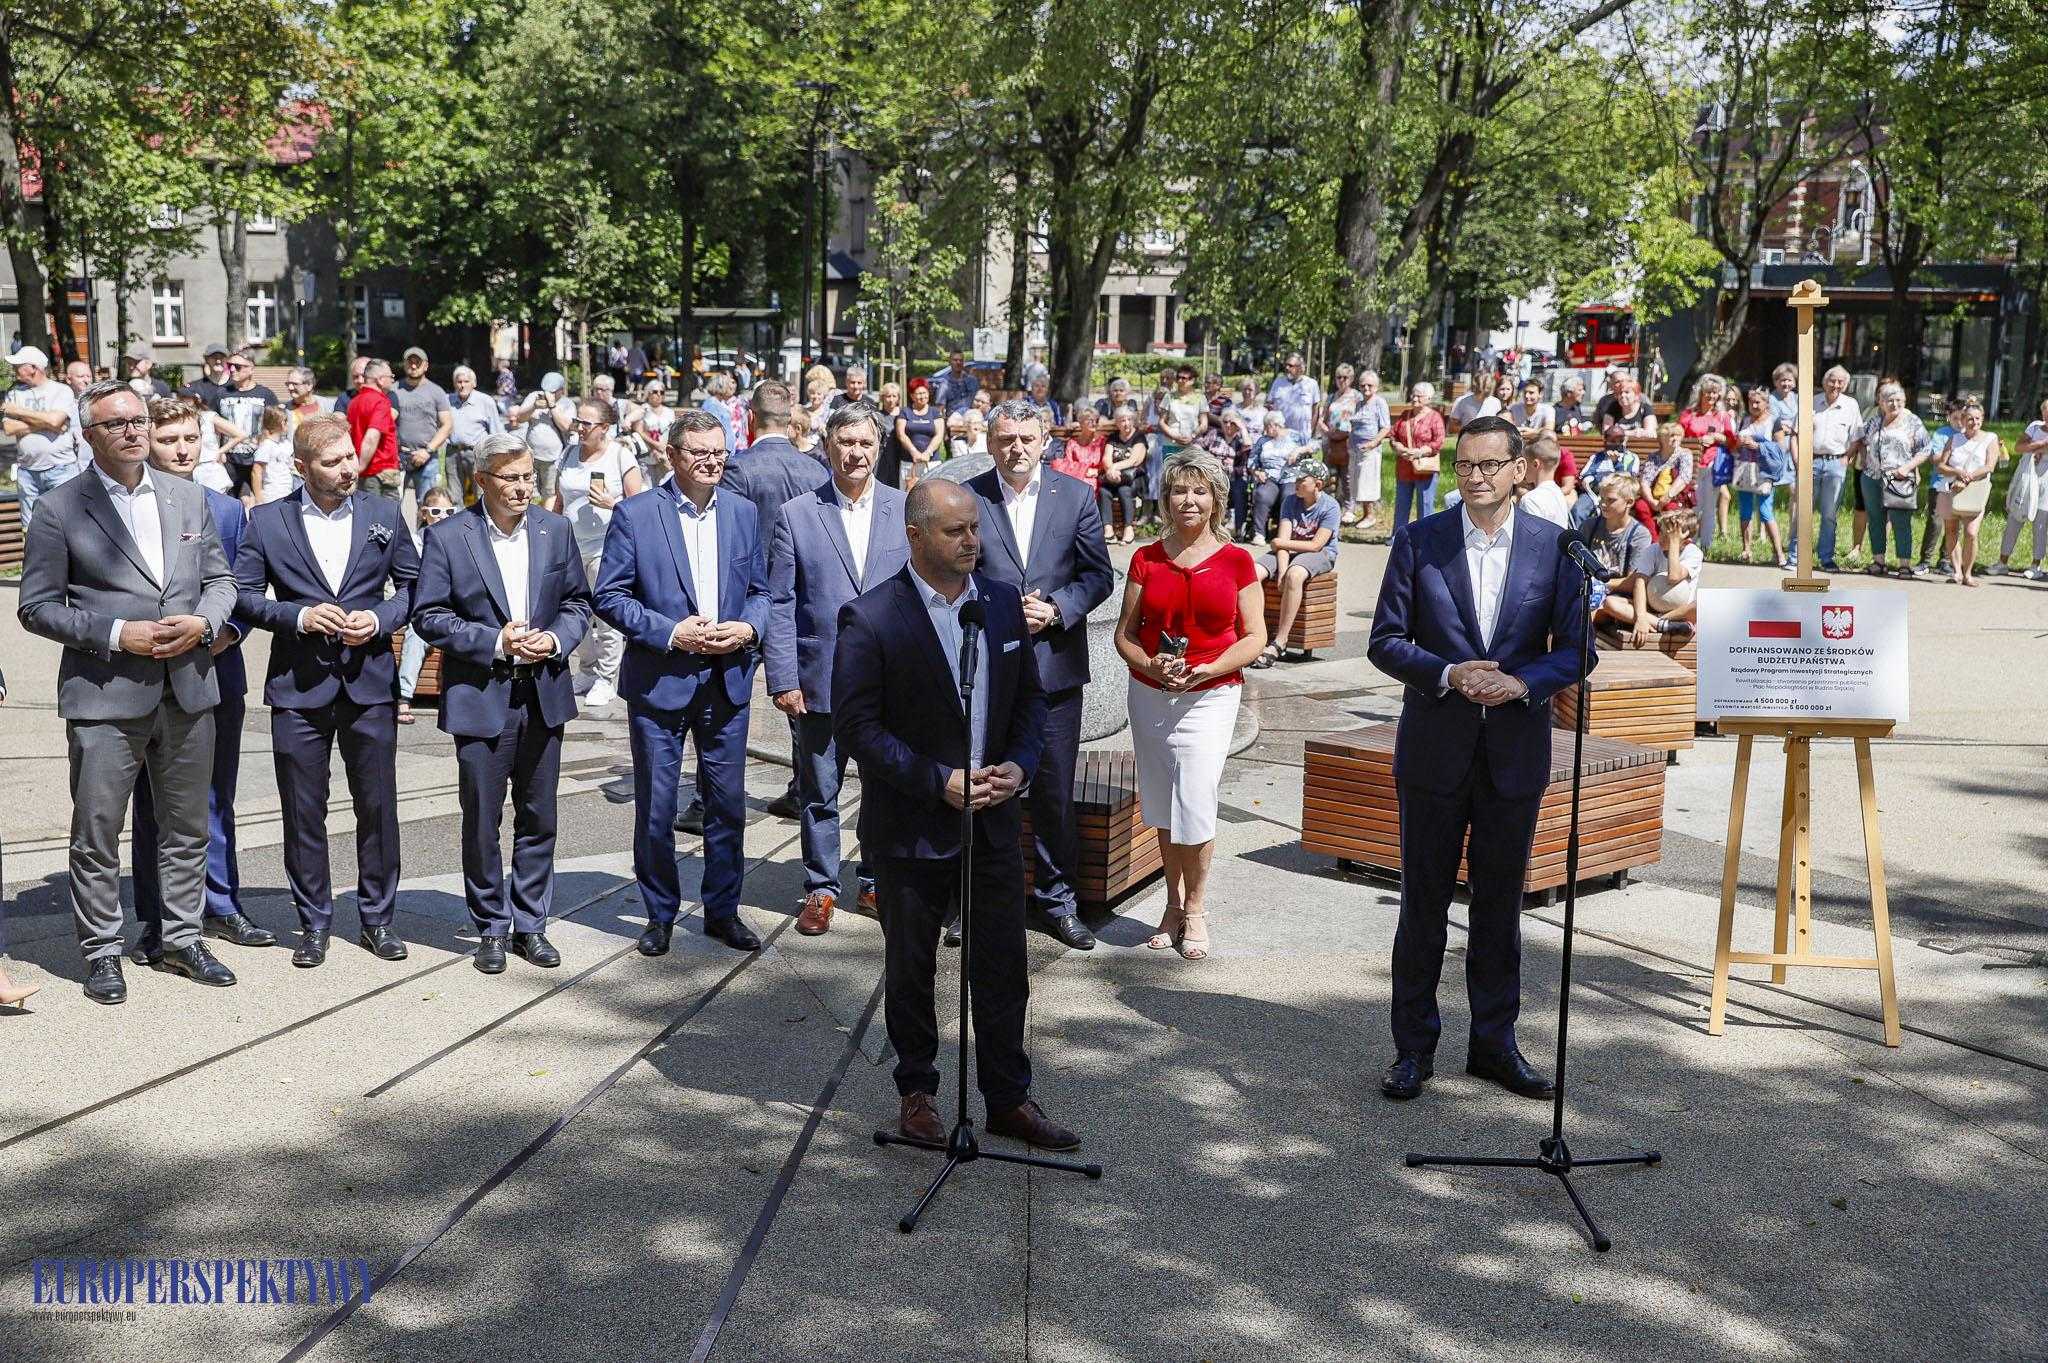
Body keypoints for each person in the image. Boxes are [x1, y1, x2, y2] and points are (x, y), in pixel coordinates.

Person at [830, 478, 1079, 1152]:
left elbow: (1031, 700)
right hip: (911, 827)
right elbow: (857, 726)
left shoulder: (1001, 604)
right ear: (915, 536)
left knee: (1003, 966)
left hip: (994, 821)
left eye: (975, 528)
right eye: (956, 531)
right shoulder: (871, 616)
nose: (972, 541)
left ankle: (1007, 1098)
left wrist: (1021, 767)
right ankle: (918, 1095)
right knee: (911, 969)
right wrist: (935, 779)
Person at [1366, 414, 1588, 1103]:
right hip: (1434, 752)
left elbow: (1578, 648)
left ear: (1521, 469)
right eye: (1466, 465)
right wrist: (1449, 673)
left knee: (1499, 911)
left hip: (1514, 755)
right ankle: (1412, 1051)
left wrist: (1524, 683)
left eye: (1492, 464)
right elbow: (1385, 640)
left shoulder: (1559, 548)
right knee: (1422, 906)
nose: (1478, 477)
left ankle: (1494, 1045)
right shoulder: (1419, 540)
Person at [17, 382, 240, 1003]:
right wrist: (118, 632)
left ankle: (181, 937)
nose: (133, 431)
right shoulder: (61, 509)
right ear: (88, 436)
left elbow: (222, 580)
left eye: (138, 420)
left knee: (186, 825)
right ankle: (102, 951)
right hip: (105, 692)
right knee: (98, 829)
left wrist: (206, 621)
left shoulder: (189, 497)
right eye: (116, 424)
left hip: (189, 685)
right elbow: (35, 608)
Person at [234, 414, 420, 968]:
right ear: (301, 467)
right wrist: (297, 615)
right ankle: (313, 922)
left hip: (369, 684)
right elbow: (244, 594)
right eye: (333, 461)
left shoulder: (383, 513)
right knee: (303, 809)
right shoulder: (268, 521)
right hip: (298, 686)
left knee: (378, 806)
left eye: (349, 459)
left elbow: (413, 586)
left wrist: (383, 619)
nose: (348, 469)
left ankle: (377, 919)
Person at [412, 433, 593, 973]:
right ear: (482, 481)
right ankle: (490, 924)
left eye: (528, 477)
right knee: (483, 818)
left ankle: (531, 924)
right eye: (510, 478)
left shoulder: (554, 529)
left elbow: (578, 603)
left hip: (543, 692)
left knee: (539, 815)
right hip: (481, 695)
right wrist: (495, 641)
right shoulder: (449, 536)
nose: (523, 488)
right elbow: (429, 616)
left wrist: (556, 639)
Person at [595, 410, 770, 956]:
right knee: (657, 805)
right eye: (699, 451)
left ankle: (723, 910)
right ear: (671, 456)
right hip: (660, 681)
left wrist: (747, 627)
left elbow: (764, 592)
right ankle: (660, 914)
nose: (712, 460)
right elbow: (610, 595)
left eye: (719, 451)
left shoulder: (744, 512)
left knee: (728, 804)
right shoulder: (635, 515)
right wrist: (671, 633)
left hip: (727, 681)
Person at [125, 396, 275, 962]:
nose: (183, 449)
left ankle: (222, 901)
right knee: (150, 803)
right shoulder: (129, 507)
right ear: (149, 442)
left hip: (215, 669)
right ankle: (156, 917)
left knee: (216, 794)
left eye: (191, 438)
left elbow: (244, 585)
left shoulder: (229, 510)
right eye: (170, 440)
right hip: (145, 672)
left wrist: (226, 631)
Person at [965, 399, 1115, 951]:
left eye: (1026, 438)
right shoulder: (972, 498)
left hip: (1055, 668)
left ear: (1046, 440)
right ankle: (975, 900)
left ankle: (1057, 899)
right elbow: (954, 572)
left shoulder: (1074, 496)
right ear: (990, 442)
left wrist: (1055, 608)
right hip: (987, 672)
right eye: (1005, 439)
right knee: (982, 788)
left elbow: (1098, 575)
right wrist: (999, 609)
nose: (1017, 448)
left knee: (1053, 792)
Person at [1114, 448, 1264, 960]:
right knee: (1160, 800)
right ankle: (1171, 905)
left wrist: (1209, 667)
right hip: (1151, 692)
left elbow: (1254, 638)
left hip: (1211, 695)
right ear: (1165, 498)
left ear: (1217, 501)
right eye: (1180, 490)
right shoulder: (1145, 559)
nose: (1189, 500)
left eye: (1200, 491)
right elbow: (1125, 635)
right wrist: (1151, 666)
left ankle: (1196, 908)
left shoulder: (1238, 561)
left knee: (1195, 799)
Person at [768, 404, 911, 936]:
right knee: (819, 790)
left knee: (885, 788)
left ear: (879, 447)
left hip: (890, 684)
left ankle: (873, 879)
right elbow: (780, 602)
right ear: (826, 444)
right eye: (846, 442)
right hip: (819, 680)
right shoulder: (797, 514)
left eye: (866, 443)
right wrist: (783, 677)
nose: (856, 453)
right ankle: (821, 888)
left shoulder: (904, 509)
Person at [723, 379, 833, 819]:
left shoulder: (739, 468)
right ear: (791, 423)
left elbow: (726, 537)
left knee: (731, 700)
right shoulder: (817, 469)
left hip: (752, 598)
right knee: (800, 702)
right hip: (802, 598)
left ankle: (715, 796)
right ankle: (804, 786)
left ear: (750, 419)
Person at [553, 395, 647, 711]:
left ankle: (607, 677)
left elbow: (643, 508)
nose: (578, 427)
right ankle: (587, 669)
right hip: (569, 547)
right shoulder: (568, 454)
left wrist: (612, 504)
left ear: (604, 428)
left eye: (586, 423)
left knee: (606, 616)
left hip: (606, 548)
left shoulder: (620, 457)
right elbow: (558, 500)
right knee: (571, 612)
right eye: (577, 420)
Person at [1250, 459, 1340, 668]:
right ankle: (1257, 634)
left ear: (1318, 484)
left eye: (1301, 479)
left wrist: (1282, 548)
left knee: (1296, 573)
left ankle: (1280, 641)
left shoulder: (1330, 506)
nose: (1296, 482)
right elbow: (1282, 543)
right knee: (1253, 571)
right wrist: (1281, 571)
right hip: (1288, 551)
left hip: (1321, 554)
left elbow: (1317, 545)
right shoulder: (1290, 501)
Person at [1846, 380, 1930, 579]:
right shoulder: (1875, 421)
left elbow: (1926, 449)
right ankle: (1879, 561)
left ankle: (1904, 564)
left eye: (1898, 400)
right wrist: (1862, 458)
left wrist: (1908, 467)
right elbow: (1859, 439)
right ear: (1881, 403)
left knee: (1901, 521)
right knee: (1875, 519)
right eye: (1889, 400)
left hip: (1900, 480)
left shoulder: (1913, 422)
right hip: (1872, 478)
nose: (1894, 404)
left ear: (1905, 401)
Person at [1597, 503, 1700, 641]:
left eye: (1668, 536)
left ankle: (1658, 620)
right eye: (1662, 532)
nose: (1661, 537)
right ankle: (1662, 625)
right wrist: (1641, 618)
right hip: (1650, 608)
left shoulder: (1693, 552)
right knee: (1610, 603)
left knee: (1700, 606)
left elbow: (1673, 577)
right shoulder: (1652, 550)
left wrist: (1674, 543)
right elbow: (1639, 584)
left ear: (1686, 542)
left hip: (1678, 612)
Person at [4, 345, 82, 523]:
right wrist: (49, 424)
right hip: (27, 472)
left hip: (61, 469)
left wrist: (19, 412)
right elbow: (9, 428)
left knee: (67, 522)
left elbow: (56, 421)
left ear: (34, 368)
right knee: (31, 527)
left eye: (19, 365)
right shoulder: (14, 393)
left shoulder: (61, 391)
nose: (14, 368)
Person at [1934, 393, 2000, 587]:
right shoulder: (1954, 439)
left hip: (1975, 489)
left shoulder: (1990, 438)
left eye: (1978, 418)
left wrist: (1967, 477)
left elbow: (1989, 466)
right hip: (1950, 488)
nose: (1974, 422)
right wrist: (1956, 472)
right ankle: (1956, 572)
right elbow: (1941, 465)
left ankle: (1968, 572)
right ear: (1963, 420)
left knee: (1971, 532)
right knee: (1951, 529)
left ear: (1982, 419)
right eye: (1970, 418)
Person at [1988, 396, 2048, 579]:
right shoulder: (2035, 426)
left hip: (2046, 481)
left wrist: (2034, 448)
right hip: (2027, 477)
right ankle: (2002, 562)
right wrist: (2039, 446)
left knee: (2040, 522)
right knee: (2015, 517)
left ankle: (2036, 565)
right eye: (2046, 412)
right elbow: (2019, 446)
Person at [391, 347, 454, 512]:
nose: (413, 366)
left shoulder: (436, 391)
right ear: (404, 365)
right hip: (398, 457)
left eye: (417, 362)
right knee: (392, 507)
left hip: (428, 458)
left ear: (425, 366)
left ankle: (425, 537)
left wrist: (427, 450)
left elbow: (447, 425)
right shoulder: (393, 390)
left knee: (428, 507)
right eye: (409, 362)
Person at [1678, 375, 1736, 556]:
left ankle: (1706, 546)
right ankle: (1689, 543)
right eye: (1708, 392)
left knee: (1710, 506)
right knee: (1693, 505)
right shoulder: (1689, 414)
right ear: (1701, 393)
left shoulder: (1723, 416)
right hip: (1692, 464)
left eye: (1715, 393)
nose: (1712, 396)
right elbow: (1678, 436)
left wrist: (1718, 437)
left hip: (1713, 465)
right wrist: (1696, 440)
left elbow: (1732, 442)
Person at [1732, 385, 1789, 565]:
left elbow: (1781, 449)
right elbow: (1733, 447)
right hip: (1744, 469)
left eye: (1758, 402)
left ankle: (1779, 553)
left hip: (1764, 471)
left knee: (1765, 512)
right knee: (1745, 511)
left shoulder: (1774, 422)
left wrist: (1759, 446)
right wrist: (1739, 443)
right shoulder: (1745, 421)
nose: (1754, 405)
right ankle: (1746, 549)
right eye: (1751, 402)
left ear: (1766, 403)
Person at [446, 363, 506, 504]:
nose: (462, 385)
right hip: (453, 453)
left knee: (481, 494)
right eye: (459, 382)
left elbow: (496, 432)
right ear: (454, 384)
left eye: (466, 382)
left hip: (477, 453)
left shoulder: (485, 401)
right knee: (454, 496)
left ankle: (481, 524)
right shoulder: (447, 400)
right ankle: (457, 524)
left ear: (473, 383)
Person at [1389, 381, 1445, 528]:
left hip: (1425, 469)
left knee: (1425, 505)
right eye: (1413, 395)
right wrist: (1399, 447)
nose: (1414, 399)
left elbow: (1439, 442)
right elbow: (1393, 436)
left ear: (1428, 399)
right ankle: (1397, 537)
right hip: (1404, 468)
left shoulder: (1435, 417)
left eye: (1419, 396)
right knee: (1401, 504)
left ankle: (1426, 539)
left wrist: (1419, 452)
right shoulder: (1405, 415)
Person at [510, 371, 573, 501]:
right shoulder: (535, 396)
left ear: (561, 390)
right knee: (530, 491)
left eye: (552, 392)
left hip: (553, 458)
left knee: (550, 493)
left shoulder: (567, 404)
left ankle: (546, 520)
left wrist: (552, 406)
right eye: (546, 390)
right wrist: (533, 406)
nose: (547, 394)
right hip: (532, 455)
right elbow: (520, 418)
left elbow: (566, 426)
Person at [1242, 411, 1302, 544]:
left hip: (1290, 477)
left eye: (1266, 426)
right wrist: (1257, 473)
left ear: (1275, 425)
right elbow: (1251, 462)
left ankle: (1285, 534)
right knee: (1263, 494)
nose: (1265, 429)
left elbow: (1314, 445)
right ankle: (1259, 534)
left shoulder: (1294, 436)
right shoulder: (1262, 440)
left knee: (1289, 496)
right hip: (1269, 476)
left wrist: (1299, 450)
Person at [348, 358, 402, 498]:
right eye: (391, 377)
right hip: (380, 474)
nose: (392, 381)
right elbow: (371, 437)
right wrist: (361, 466)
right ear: (380, 380)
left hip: (365, 474)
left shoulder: (354, 403)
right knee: (386, 517)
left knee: (366, 515)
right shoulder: (381, 402)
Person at [1344, 369, 1391, 529]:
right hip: (1355, 450)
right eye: (1363, 385)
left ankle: (1370, 515)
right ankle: (1364, 514)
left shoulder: (1379, 402)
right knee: (1357, 483)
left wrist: (1373, 443)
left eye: (1370, 385)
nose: (1366, 388)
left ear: (1376, 386)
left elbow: (1385, 427)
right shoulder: (1359, 403)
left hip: (1370, 450)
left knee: (1367, 483)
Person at [1101, 406, 1149, 544]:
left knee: (1124, 490)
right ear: (1117, 423)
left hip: (1133, 478)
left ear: (1133, 421)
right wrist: (1111, 471)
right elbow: (1106, 458)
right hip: (1114, 477)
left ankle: (1129, 530)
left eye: (1129, 419)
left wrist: (1114, 468)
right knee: (1104, 491)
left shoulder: (1139, 437)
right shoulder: (1113, 437)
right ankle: (1108, 531)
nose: (1126, 423)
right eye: (1122, 420)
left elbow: (1134, 460)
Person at [895, 377, 945, 486]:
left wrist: (928, 452)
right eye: (919, 393)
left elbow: (939, 435)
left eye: (924, 392)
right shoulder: (905, 412)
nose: (922, 396)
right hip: (909, 462)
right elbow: (901, 434)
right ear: (912, 396)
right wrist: (914, 452)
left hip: (931, 462)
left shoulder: (935, 412)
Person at [1516, 438, 1572, 527]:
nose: (1522, 468)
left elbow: (1530, 538)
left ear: (1535, 464)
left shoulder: (1530, 500)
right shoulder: (1558, 493)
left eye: (1525, 463)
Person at [251, 405, 297, 504]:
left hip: (287, 489)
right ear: (277, 424)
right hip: (272, 493)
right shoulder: (266, 446)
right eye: (285, 421)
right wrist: (258, 498)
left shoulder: (286, 444)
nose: (287, 424)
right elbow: (256, 472)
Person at [1268, 351, 1320, 438]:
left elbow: (1315, 410)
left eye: (1291, 365)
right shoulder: (1278, 382)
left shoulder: (1311, 384)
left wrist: (1310, 430)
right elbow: (1269, 405)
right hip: (1281, 435)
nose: (1287, 368)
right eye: (1286, 365)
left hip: (1302, 435)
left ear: (1300, 368)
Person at [929, 349, 980, 416]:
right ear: (950, 362)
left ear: (963, 362)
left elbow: (979, 401)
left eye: (961, 360)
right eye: (955, 360)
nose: (958, 362)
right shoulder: (944, 384)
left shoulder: (973, 381)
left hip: (972, 417)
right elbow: (940, 408)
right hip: (954, 419)